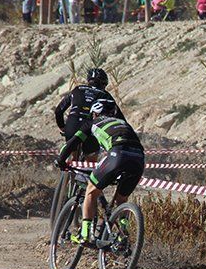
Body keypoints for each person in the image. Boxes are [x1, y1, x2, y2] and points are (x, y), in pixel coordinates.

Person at [54, 98, 145, 246]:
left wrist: (61, 160)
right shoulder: (123, 123)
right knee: (122, 199)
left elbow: (73, 142)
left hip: (117, 154)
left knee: (91, 190)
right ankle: (123, 233)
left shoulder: (92, 123)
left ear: (94, 114)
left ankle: (85, 234)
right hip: (139, 159)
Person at [54, 68, 126, 159]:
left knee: (72, 157)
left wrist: (63, 127)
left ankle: (71, 166)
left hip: (72, 124)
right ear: (104, 83)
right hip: (91, 128)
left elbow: (58, 111)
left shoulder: (77, 89)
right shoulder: (106, 95)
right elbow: (120, 118)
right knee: (91, 161)